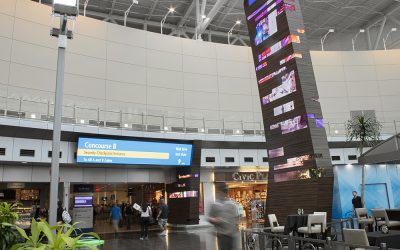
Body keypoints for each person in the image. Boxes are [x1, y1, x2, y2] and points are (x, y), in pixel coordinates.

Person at [208, 184, 240, 250]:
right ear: (219, 192)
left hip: (231, 234)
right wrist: (215, 220)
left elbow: (237, 218)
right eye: (222, 191)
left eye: (225, 191)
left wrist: (236, 231)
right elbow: (209, 217)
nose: (224, 193)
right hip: (222, 234)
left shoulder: (232, 204)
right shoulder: (215, 204)